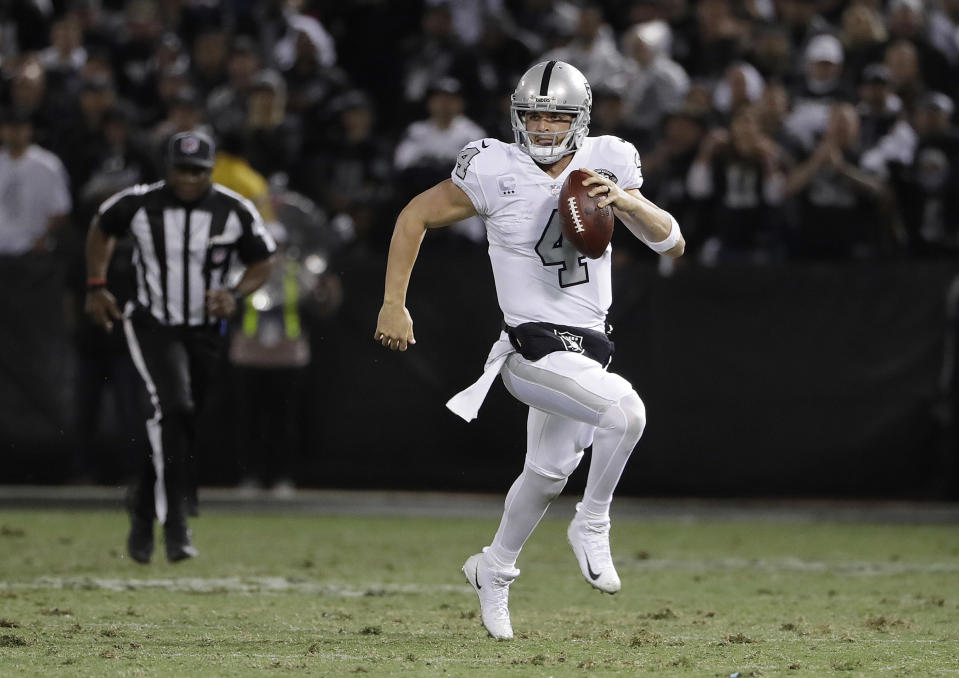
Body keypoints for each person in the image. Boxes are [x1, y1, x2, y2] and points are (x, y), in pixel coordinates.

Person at [373, 61, 684, 640]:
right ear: (517, 117)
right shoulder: (495, 166)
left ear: (580, 121)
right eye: (533, 115)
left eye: (555, 117)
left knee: (545, 475)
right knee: (626, 412)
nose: (542, 128)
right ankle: (592, 521)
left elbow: (672, 243)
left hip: (587, 351)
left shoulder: (610, 160)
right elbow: (414, 214)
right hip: (529, 349)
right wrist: (395, 302)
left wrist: (626, 202)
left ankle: (493, 569)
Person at [84, 131, 275, 563]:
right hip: (152, 322)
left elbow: (263, 259)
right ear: (167, 169)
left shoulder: (234, 208)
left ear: (210, 170)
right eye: (181, 170)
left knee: (183, 420)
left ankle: (141, 506)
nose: (189, 179)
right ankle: (174, 524)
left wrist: (236, 294)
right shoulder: (138, 202)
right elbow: (101, 226)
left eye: (198, 171)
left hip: (204, 329)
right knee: (174, 407)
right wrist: (96, 284)